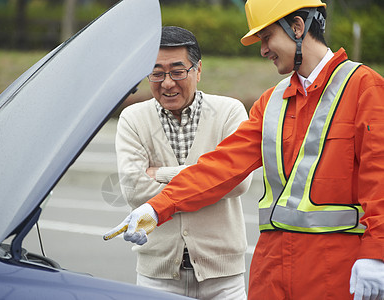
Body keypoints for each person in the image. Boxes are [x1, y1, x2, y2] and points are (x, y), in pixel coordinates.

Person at [104, 1, 384, 299]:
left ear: (298, 28)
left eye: (267, 38)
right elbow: (221, 167)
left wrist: (377, 253)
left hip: (333, 269)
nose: (263, 50)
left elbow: (379, 177)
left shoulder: (364, 89)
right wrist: (156, 207)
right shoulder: (271, 103)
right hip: (271, 271)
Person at [112, 26, 252, 299]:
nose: (167, 83)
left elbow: (238, 181)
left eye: (177, 72)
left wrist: (160, 173)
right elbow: (133, 188)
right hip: (158, 275)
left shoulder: (229, 112)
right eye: (157, 73)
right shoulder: (132, 118)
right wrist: (209, 176)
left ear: (198, 70)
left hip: (224, 277)